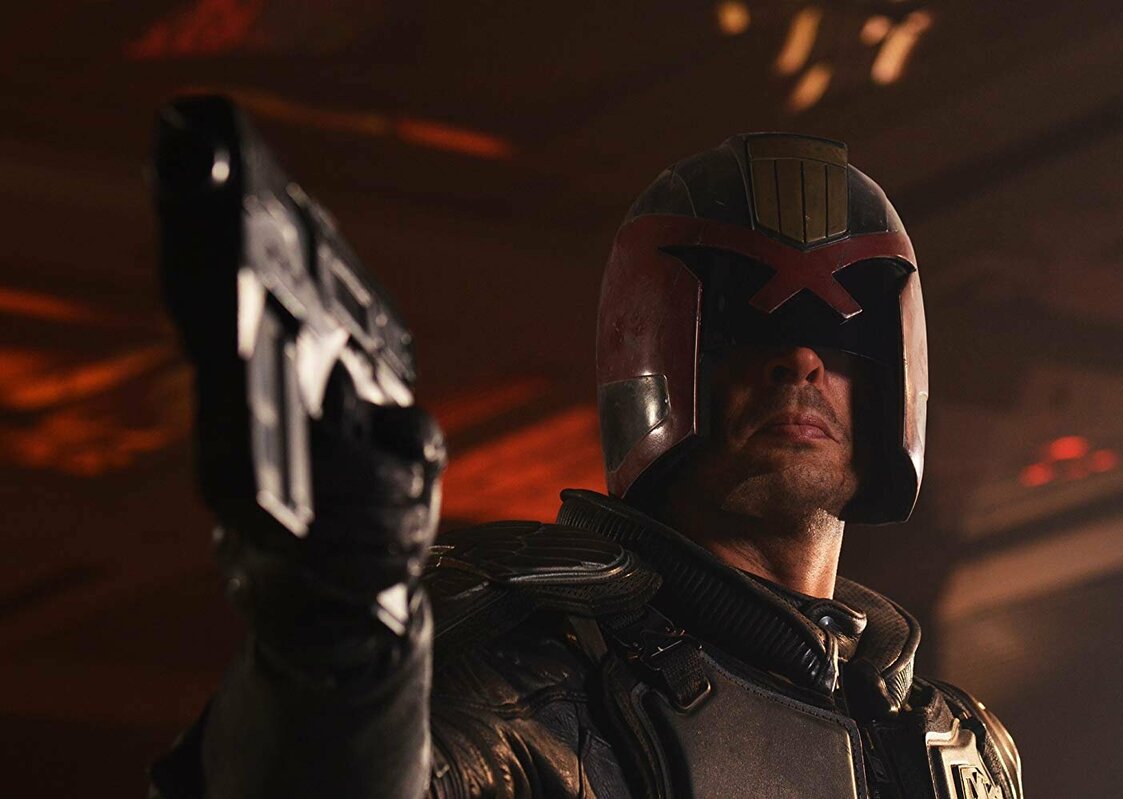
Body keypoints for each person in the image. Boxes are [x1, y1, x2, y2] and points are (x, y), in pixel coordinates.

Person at [150, 134, 1023, 799]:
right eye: (745, 330)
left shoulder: (962, 745)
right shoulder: (529, 686)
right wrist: (337, 630)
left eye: (838, 337)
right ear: (664, 353)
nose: (799, 363)